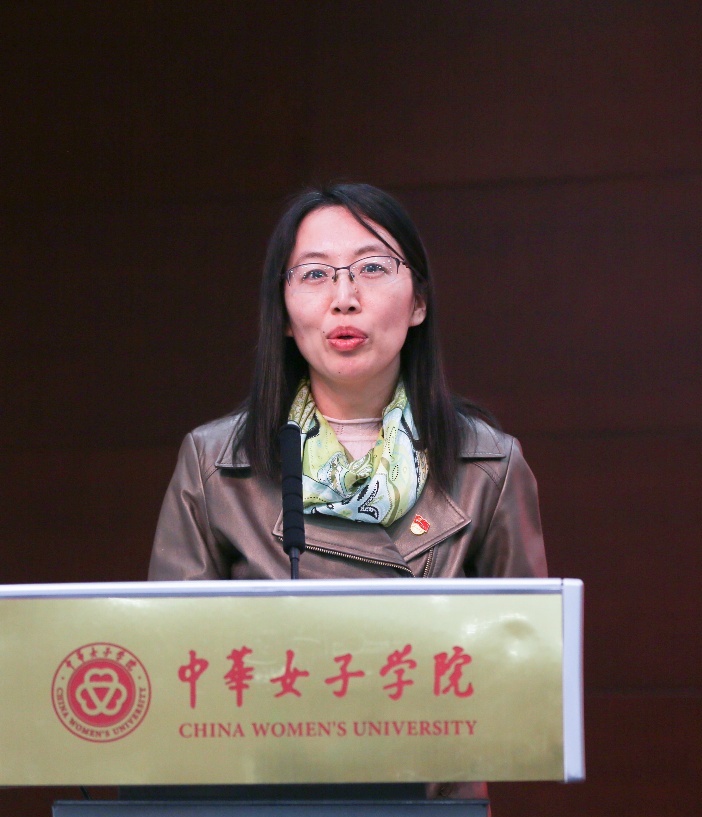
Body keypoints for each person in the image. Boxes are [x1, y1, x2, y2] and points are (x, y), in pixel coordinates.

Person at [149, 182, 546, 582]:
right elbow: (177, 623)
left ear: (418, 302)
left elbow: (525, 623)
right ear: (284, 315)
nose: (344, 298)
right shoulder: (216, 468)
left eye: (372, 268)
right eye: (315, 273)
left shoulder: (487, 468)